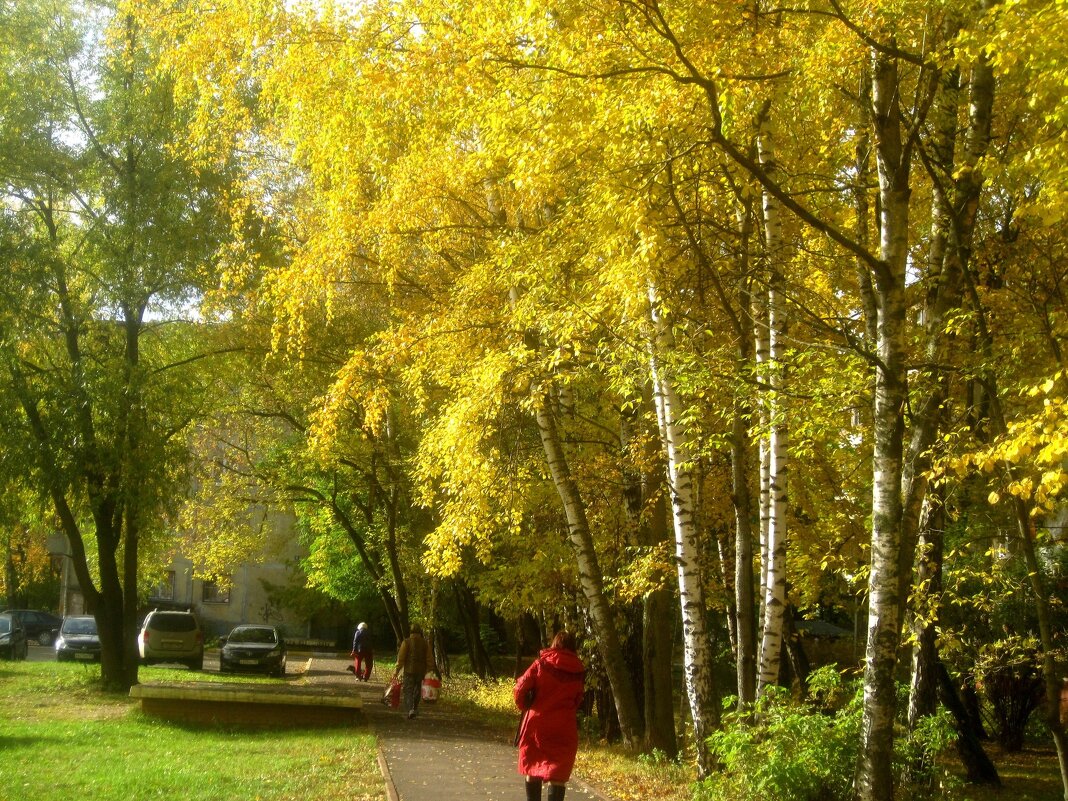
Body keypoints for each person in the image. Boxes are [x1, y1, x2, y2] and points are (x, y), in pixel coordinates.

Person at [514, 631, 585, 801]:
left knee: (532, 768)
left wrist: (525, 706)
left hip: (536, 724)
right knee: (558, 775)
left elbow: (520, 688)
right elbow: (578, 699)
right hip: (564, 727)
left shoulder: (541, 664)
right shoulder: (579, 669)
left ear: (554, 644)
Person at [392, 623, 436, 719]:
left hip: (409, 670)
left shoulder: (406, 642)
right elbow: (429, 658)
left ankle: (410, 710)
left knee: (408, 690)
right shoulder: (425, 643)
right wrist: (430, 669)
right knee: (417, 690)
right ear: (420, 632)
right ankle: (414, 708)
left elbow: (401, 658)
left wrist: (396, 671)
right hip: (421, 671)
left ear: (411, 632)